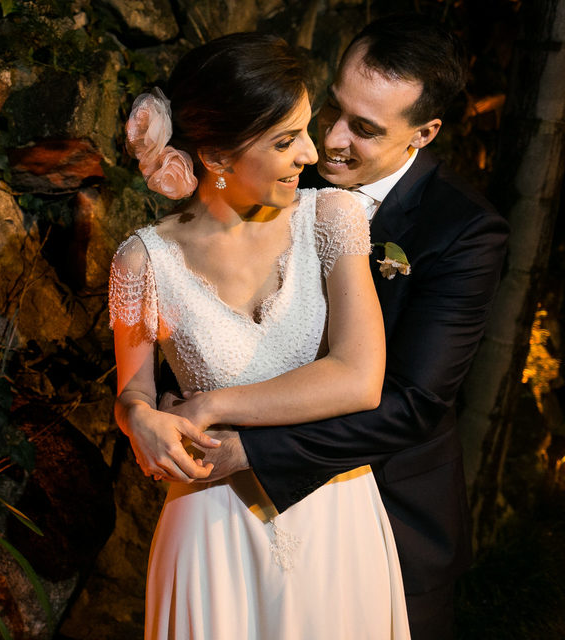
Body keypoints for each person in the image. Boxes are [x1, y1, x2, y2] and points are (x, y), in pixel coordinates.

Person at [161, 15, 510, 639]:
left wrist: (249, 449)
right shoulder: (283, 172)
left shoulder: (462, 231)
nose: (330, 141)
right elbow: (210, 293)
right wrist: (172, 393)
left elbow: (413, 402)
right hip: (237, 515)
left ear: (423, 134)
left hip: (393, 515)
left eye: (365, 129)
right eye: (333, 110)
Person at [109, 32, 410, 639]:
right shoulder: (143, 262)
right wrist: (138, 418)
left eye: (304, 129)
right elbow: (132, 393)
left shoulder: (332, 219)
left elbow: (359, 377)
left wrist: (212, 404)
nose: (310, 152)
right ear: (216, 156)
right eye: (284, 140)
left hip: (333, 514)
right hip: (209, 527)